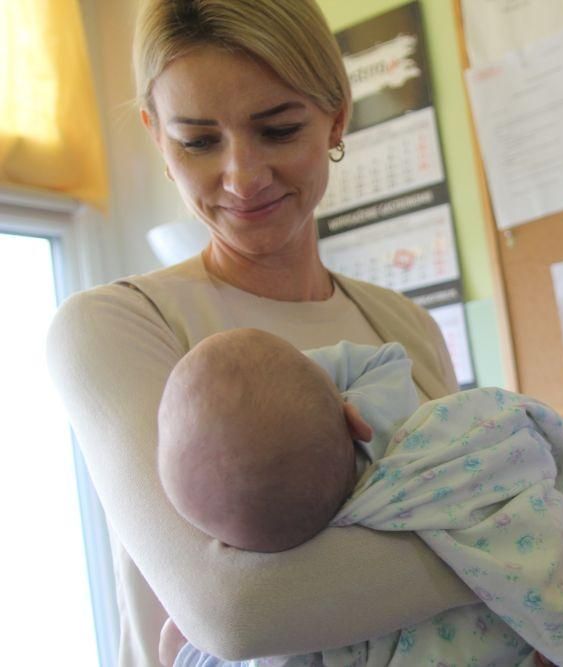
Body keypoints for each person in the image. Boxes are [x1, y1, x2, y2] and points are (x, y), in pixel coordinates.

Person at [47, 2, 477, 664]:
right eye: (198, 141)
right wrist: (514, 549)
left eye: (278, 130)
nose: (243, 177)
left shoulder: (406, 326)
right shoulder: (116, 326)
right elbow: (235, 612)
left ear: (337, 117)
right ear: (158, 138)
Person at [155, 329, 563, 666]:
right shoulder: (436, 441)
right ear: (354, 418)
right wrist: (303, 389)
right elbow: (381, 358)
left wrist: (183, 652)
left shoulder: (291, 618)